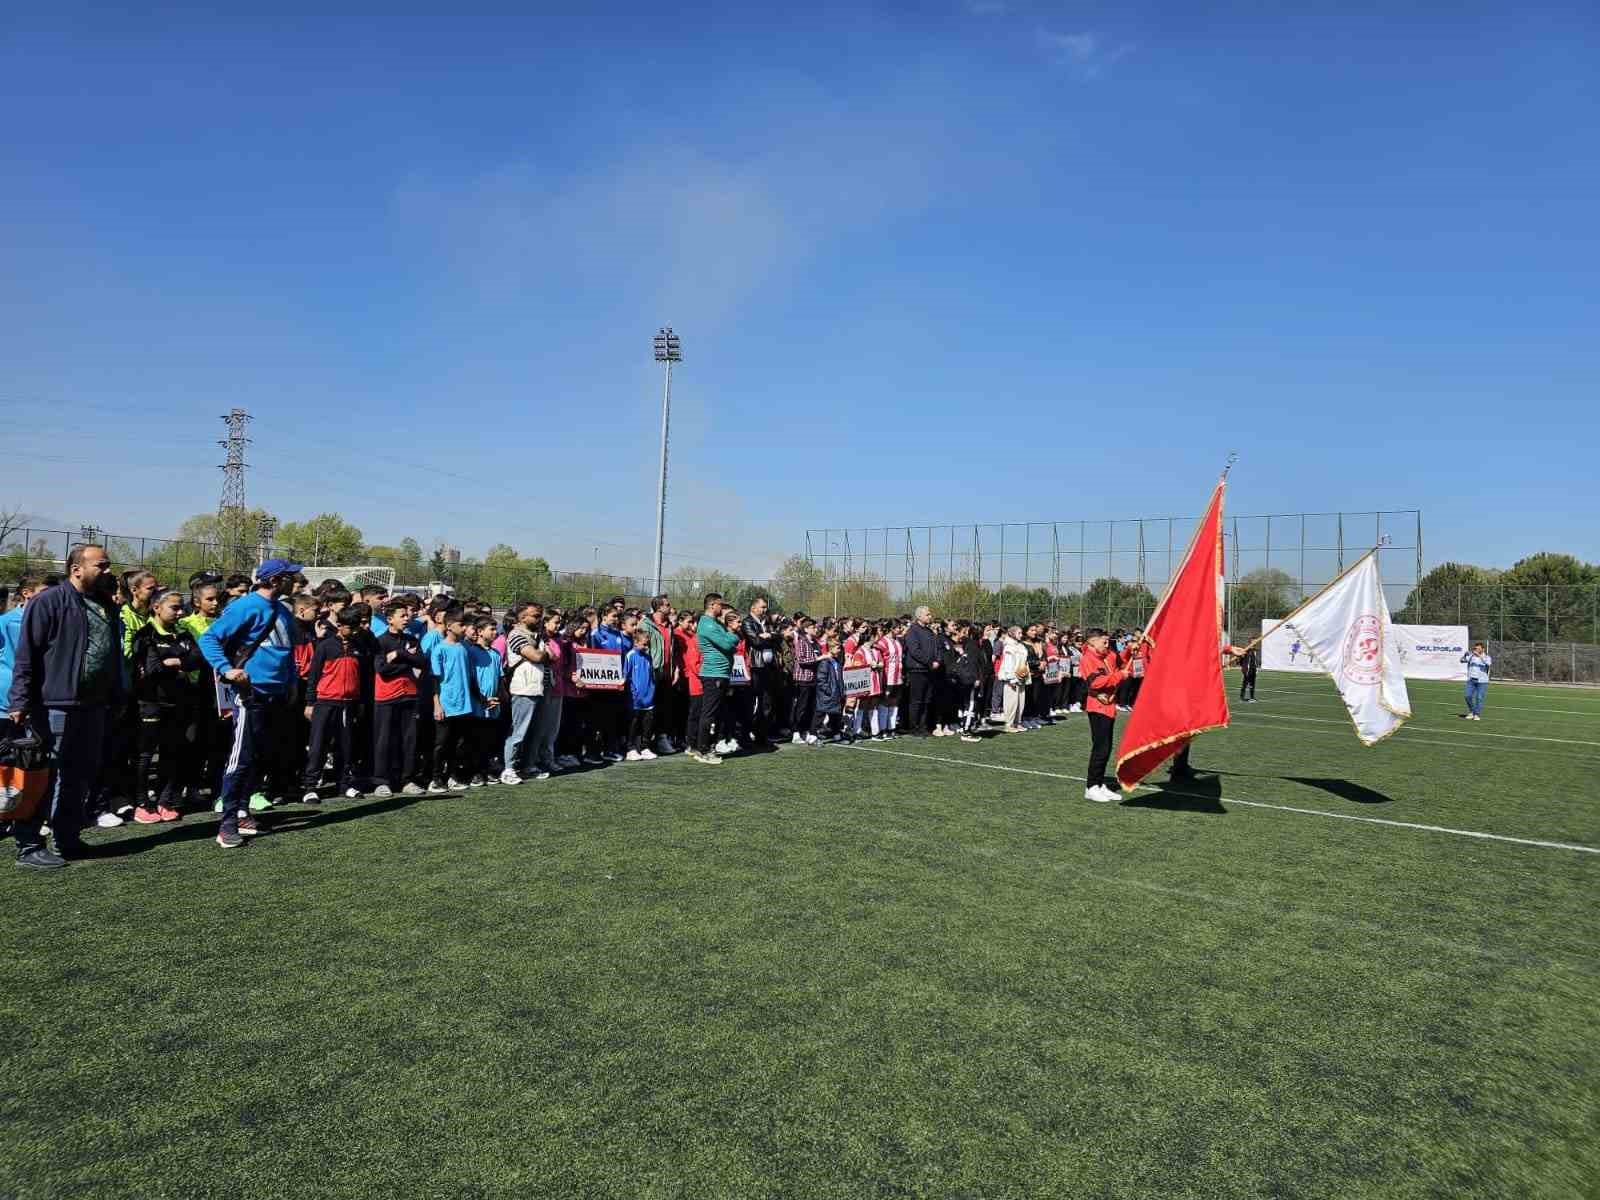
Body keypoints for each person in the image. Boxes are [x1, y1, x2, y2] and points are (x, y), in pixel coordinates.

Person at [7, 544, 124, 868]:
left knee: (80, 776)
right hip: (55, 705)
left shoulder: (103, 603)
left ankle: (66, 838)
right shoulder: (48, 602)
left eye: (108, 564)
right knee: (45, 779)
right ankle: (29, 846)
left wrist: (116, 694)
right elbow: (26, 656)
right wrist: (19, 701)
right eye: (101, 565)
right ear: (77, 568)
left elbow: (110, 654)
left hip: (94, 705)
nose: (107, 570)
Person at [130, 588, 204, 823]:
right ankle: (142, 803)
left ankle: (165, 800)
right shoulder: (146, 634)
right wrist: (179, 663)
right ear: (156, 607)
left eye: (182, 607)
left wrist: (177, 661)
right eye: (175, 607)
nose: (180, 612)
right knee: (146, 753)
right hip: (151, 703)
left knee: (173, 752)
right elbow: (152, 669)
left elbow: (198, 659)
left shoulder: (182, 633)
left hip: (179, 703)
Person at [301, 608, 368, 802]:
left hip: (349, 703)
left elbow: (362, 677)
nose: (355, 631)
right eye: (351, 627)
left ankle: (344, 784)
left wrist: (360, 702)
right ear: (339, 626)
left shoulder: (359, 646)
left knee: (346, 746)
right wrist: (310, 703)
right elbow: (313, 675)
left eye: (357, 627)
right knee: (318, 745)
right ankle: (310, 787)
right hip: (325, 702)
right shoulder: (326, 646)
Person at [373, 599, 429, 797]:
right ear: (390, 619)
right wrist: (407, 658)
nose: (407, 618)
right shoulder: (380, 641)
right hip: (386, 697)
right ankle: (381, 781)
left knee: (409, 740)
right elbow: (383, 670)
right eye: (402, 615)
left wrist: (399, 654)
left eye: (408, 615)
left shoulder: (412, 640)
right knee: (384, 740)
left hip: (410, 695)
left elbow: (422, 662)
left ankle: (407, 780)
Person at [1079, 628, 1131, 803]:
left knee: (1106, 748)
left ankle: (1099, 784)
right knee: (1100, 748)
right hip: (1097, 708)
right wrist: (1119, 676)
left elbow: (1121, 660)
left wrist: (1130, 650)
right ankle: (1091, 787)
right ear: (1092, 642)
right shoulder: (1088, 659)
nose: (1108, 644)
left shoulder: (1109, 654)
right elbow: (1096, 683)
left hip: (1109, 706)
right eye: (1104, 641)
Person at [428, 607, 477, 792]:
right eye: (461, 624)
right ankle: (435, 778)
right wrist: (437, 705)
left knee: (459, 743)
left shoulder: (464, 647)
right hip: (447, 705)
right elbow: (435, 680)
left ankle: (453, 776)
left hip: (464, 705)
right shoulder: (440, 649)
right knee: (441, 744)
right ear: (449, 626)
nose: (465, 628)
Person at [500, 602, 548, 785]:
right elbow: (537, 656)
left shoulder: (536, 635)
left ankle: (528, 766)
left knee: (535, 732)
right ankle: (509, 768)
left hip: (538, 687)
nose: (539, 619)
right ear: (522, 617)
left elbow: (550, 656)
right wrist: (543, 653)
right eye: (535, 615)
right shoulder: (516, 634)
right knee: (518, 732)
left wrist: (542, 653)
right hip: (524, 688)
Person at [693, 593, 739, 765]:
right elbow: (728, 643)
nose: (723, 608)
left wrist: (730, 638)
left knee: (716, 713)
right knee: (709, 713)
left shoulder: (715, 624)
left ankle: (708, 746)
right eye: (721, 604)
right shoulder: (707, 625)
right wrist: (733, 635)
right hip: (714, 675)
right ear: (712, 605)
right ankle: (703, 750)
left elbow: (729, 645)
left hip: (721, 674)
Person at [903, 606, 940, 736]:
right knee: (916, 700)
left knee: (926, 700)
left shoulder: (930, 632)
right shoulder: (912, 631)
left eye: (930, 614)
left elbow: (936, 649)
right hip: (917, 670)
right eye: (927, 614)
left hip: (930, 671)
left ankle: (923, 726)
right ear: (919, 616)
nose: (930, 616)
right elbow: (914, 651)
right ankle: (914, 727)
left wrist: (938, 661)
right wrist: (930, 662)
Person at [623, 630, 657, 761]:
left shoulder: (648, 657)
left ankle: (645, 747)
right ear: (636, 642)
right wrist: (632, 693)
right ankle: (631, 749)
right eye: (644, 644)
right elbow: (626, 675)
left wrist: (651, 690)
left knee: (648, 723)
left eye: (647, 644)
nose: (646, 647)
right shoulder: (630, 655)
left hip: (649, 698)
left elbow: (650, 676)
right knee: (633, 723)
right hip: (635, 699)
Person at [811, 633, 847, 742]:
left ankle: (836, 734)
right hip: (826, 695)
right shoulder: (825, 662)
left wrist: (841, 690)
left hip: (836, 693)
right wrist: (829, 691)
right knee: (819, 715)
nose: (840, 650)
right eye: (837, 648)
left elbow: (839, 678)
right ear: (831, 648)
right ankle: (812, 735)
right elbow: (821, 680)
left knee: (835, 715)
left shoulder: (837, 661)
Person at [997, 625, 1029, 733]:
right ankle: (1009, 724)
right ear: (1012, 633)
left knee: (1021, 701)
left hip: (1021, 676)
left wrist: (1024, 674)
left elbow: (1024, 661)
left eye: (1021, 633)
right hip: (1012, 678)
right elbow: (1008, 664)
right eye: (1019, 633)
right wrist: (1011, 679)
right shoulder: (1009, 646)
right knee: (1011, 701)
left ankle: (1017, 722)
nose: (1021, 635)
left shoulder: (1021, 646)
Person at [1461, 642, 1492, 721]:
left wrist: (1479, 656)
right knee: (1467, 696)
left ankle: (1477, 714)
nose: (1476, 650)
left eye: (1478, 648)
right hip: (1471, 680)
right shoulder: (1471, 656)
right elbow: (1462, 660)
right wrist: (1465, 655)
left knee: (1479, 697)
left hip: (1482, 681)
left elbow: (1488, 663)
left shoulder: (1487, 657)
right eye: (1475, 648)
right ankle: (1472, 712)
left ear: (1482, 649)